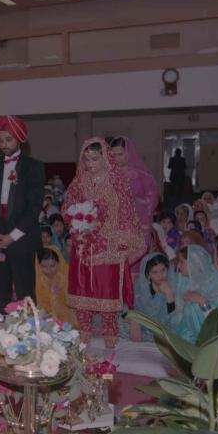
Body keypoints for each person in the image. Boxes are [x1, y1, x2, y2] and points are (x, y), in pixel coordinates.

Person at [62, 137, 145, 347]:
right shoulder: (79, 182)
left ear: (105, 158)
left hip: (109, 243)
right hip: (84, 242)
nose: (90, 164)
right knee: (84, 290)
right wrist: (78, 219)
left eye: (95, 159)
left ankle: (110, 337)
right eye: (87, 159)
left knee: (107, 290)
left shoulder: (116, 181)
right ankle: (85, 334)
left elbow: (126, 212)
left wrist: (118, 236)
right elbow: (67, 207)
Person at [0, 115, 44, 314]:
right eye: (0, 140)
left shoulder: (34, 167)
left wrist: (12, 237)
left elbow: (34, 208)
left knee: (25, 288)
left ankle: (28, 332)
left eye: (8, 139)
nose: (3, 144)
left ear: (20, 139)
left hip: (22, 240)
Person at [169, 245, 218, 344]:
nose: (178, 266)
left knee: (193, 308)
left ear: (193, 263)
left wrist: (202, 301)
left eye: (181, 262)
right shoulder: (186, 280)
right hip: (194, 334)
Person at [109, 136, 159, 253]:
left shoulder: (142, 175)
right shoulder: (109, 177)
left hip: (139, 226)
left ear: (129, 153)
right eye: (113, 155)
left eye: (120, 154)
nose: (117, 158)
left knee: (136, 260)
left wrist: (135, 205)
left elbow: (153, 198)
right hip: (115, 227)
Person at [131, 253, 176, 341]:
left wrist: (169, 295)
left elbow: (172, 318)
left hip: (164, 328)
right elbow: (129, 307)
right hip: (143, 325)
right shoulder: (140, 287)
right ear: (148, 275)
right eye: (155, 272)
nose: (160, 275)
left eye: (163, 270)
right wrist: (134, 320)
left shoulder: (174, 285)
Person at [35, 246, 76, 327]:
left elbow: (72, 303)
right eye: (44, 267)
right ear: (39, 266)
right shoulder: (38, 280)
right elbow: (39, 304)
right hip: (45, 317)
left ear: (59, 263)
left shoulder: (65, 277)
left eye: (52, 266)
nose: (49, 270)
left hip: (66, 315)